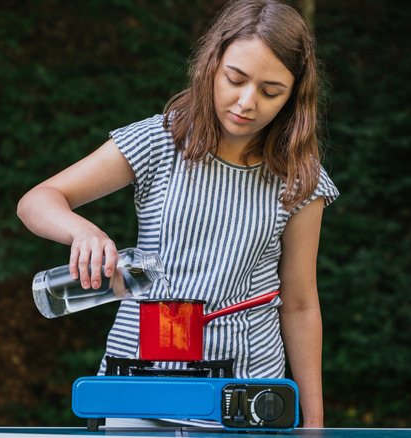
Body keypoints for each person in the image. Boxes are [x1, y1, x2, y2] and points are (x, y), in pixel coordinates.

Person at [17, 0, 338, 428]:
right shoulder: (160, 140)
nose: (246, 102)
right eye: (235, 79)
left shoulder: (301, 179)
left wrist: (313, 424)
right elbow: (37, 200)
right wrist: (82, 232)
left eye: (270, 91)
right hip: (139, 387)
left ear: (294, 94)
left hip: (244, 398)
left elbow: (299, 304)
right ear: (212, 65)